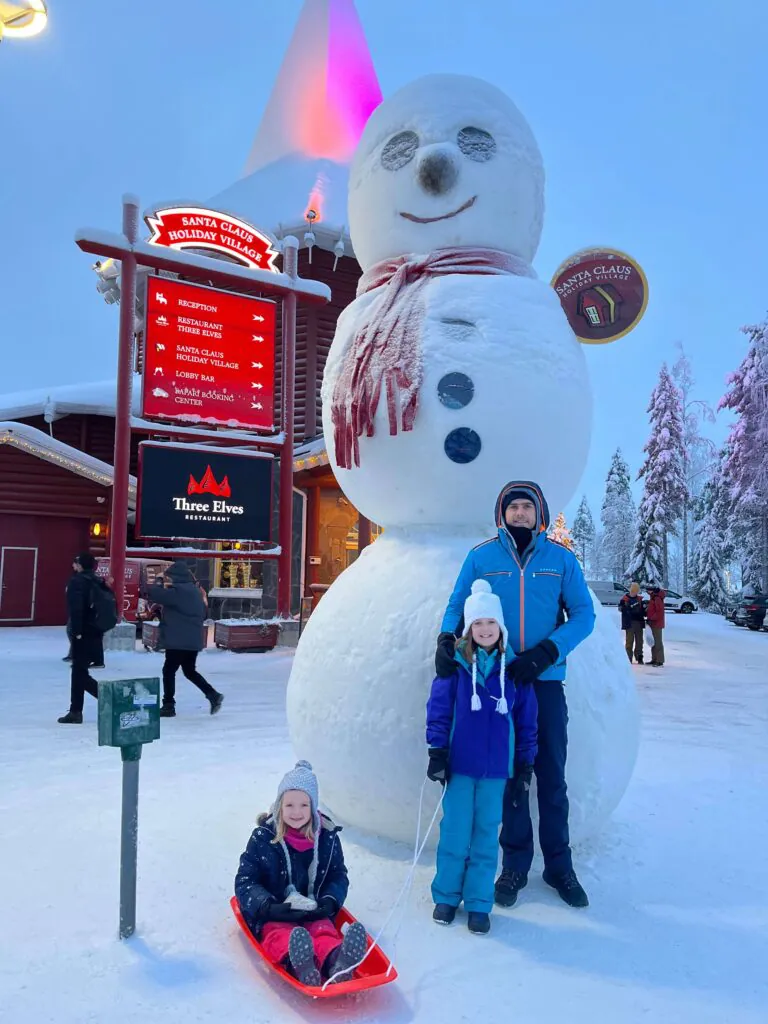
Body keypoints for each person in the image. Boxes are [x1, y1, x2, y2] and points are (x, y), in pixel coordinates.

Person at [435, 481, 595, 909]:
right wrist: (446, 639)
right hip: (495, 684)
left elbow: (584, 615)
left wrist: (547, 651)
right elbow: (456, 605)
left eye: (527, 507)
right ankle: (515, 865)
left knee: (551, 775)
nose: (520, 513)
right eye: (513, 507)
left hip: (543, 684)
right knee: (512, 778)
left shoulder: (561, 560)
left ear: (539, 513)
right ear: (501, 514)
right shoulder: (481, 557)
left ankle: (560, 866)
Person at [427, 579, 538, 935]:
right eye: (478, 623)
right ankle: (446, 895)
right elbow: (439, 710)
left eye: (491, 623)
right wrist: (437, 750)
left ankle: (478, 902)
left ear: (500, 627)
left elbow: (526, 721)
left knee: (487, 835)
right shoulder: (455, 666)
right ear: (469, 628)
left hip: (496, 772)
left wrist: (525, 763)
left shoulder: (515, 671)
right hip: (460, 767)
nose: (485, 629)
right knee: (455, 832)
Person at [234, 761, 367, 987]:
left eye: (304, 805)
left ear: (314, 807)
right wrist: (266, 906)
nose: (296, 812)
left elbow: (338, 875)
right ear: (279, 807)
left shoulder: (327, 838)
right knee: (278, 934)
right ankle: (301, 965)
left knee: (323, 931)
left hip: (313, 908)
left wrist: (329, 901)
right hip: (277, 911)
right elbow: (246, 880)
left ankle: (337, 962)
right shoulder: (263, 838)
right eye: (290, 805)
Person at [146, 562, 223, 717]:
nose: (169, 580)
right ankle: (212, 694)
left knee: (168, 671)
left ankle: (168, 705)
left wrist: (159, 581)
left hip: (177, 640)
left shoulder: (177, 592)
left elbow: (154, 593)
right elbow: (204, 613)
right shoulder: (196, 592)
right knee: (189, 671)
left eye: (170, 577)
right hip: (192, 640)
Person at [57, 553, 113, 724]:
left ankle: (109, 699)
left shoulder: (77, 582)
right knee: (79, 670)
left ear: (80, 565)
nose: (73, 565)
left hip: (84, 631)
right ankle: (76, 710)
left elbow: (76, 609)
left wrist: (77, 631)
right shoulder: (97, 580)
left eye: (75, 562)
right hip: (96, 630)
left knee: (79, 672)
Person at [619, 582, 646, 665]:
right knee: (629, 642)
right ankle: (628, 658)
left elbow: (644, 612)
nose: (635, 592)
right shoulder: (624, 599)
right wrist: (624, 607)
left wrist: (644, 609)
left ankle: (639, 657)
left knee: (639, 641)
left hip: (639, 623)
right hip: (629, 623)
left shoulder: (640, 600)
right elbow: (620, 609)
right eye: (634, 591)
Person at [645, 583, 666, 667]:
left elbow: (659, 612)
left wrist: (652, 618)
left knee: (658, 642)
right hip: (652, 623)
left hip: (657, 624)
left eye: (648, 590)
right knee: (653, 642)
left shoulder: (657, 598)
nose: (647, 591)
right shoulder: (653, 597)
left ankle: (660, 660)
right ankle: (654, 659)